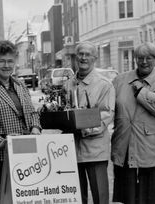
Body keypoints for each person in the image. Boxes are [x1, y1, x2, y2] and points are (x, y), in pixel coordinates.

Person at [111, 42, 155, 204]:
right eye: (140, 58)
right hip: (124, 148)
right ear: (135, 60)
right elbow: (108, 108)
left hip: (150, 150)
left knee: (150, 198)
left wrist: (141, 92)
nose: (144, 62)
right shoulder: (120, 80)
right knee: (128, 198)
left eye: (149, 58)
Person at [0, 40, 41, 204]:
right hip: (0, 154)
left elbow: (32, 111)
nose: (6, 65)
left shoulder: (20, 84)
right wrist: (1, 142)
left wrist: (35, 127)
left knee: (27, 196)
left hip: (27, 149)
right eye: (2, 61)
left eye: (10, 61)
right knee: (4, 198)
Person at [64, 41, 115, 204]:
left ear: (95, 58)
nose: (83, 58)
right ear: (75, 57)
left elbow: (107, 115)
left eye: (87, 54)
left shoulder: (104, 84)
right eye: (80, 54)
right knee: (76, 198)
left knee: (100, 197)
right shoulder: (68, 84)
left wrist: (84, 129)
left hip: (95, 150)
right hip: (72, 150)